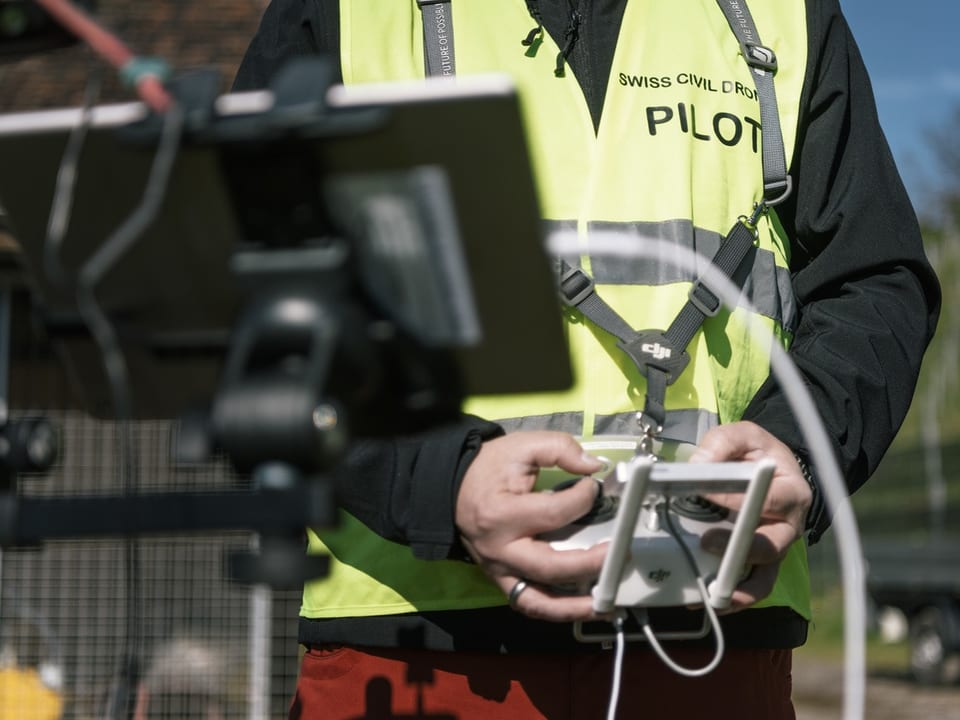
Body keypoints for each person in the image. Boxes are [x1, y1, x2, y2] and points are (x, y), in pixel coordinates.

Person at [232, 1, 941, 718]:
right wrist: (435, 481)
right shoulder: (341, 11)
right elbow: (246, 291)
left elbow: (873, 282)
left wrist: (798, 445)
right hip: (414, 646)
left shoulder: (784, 13)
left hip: (713, 637)